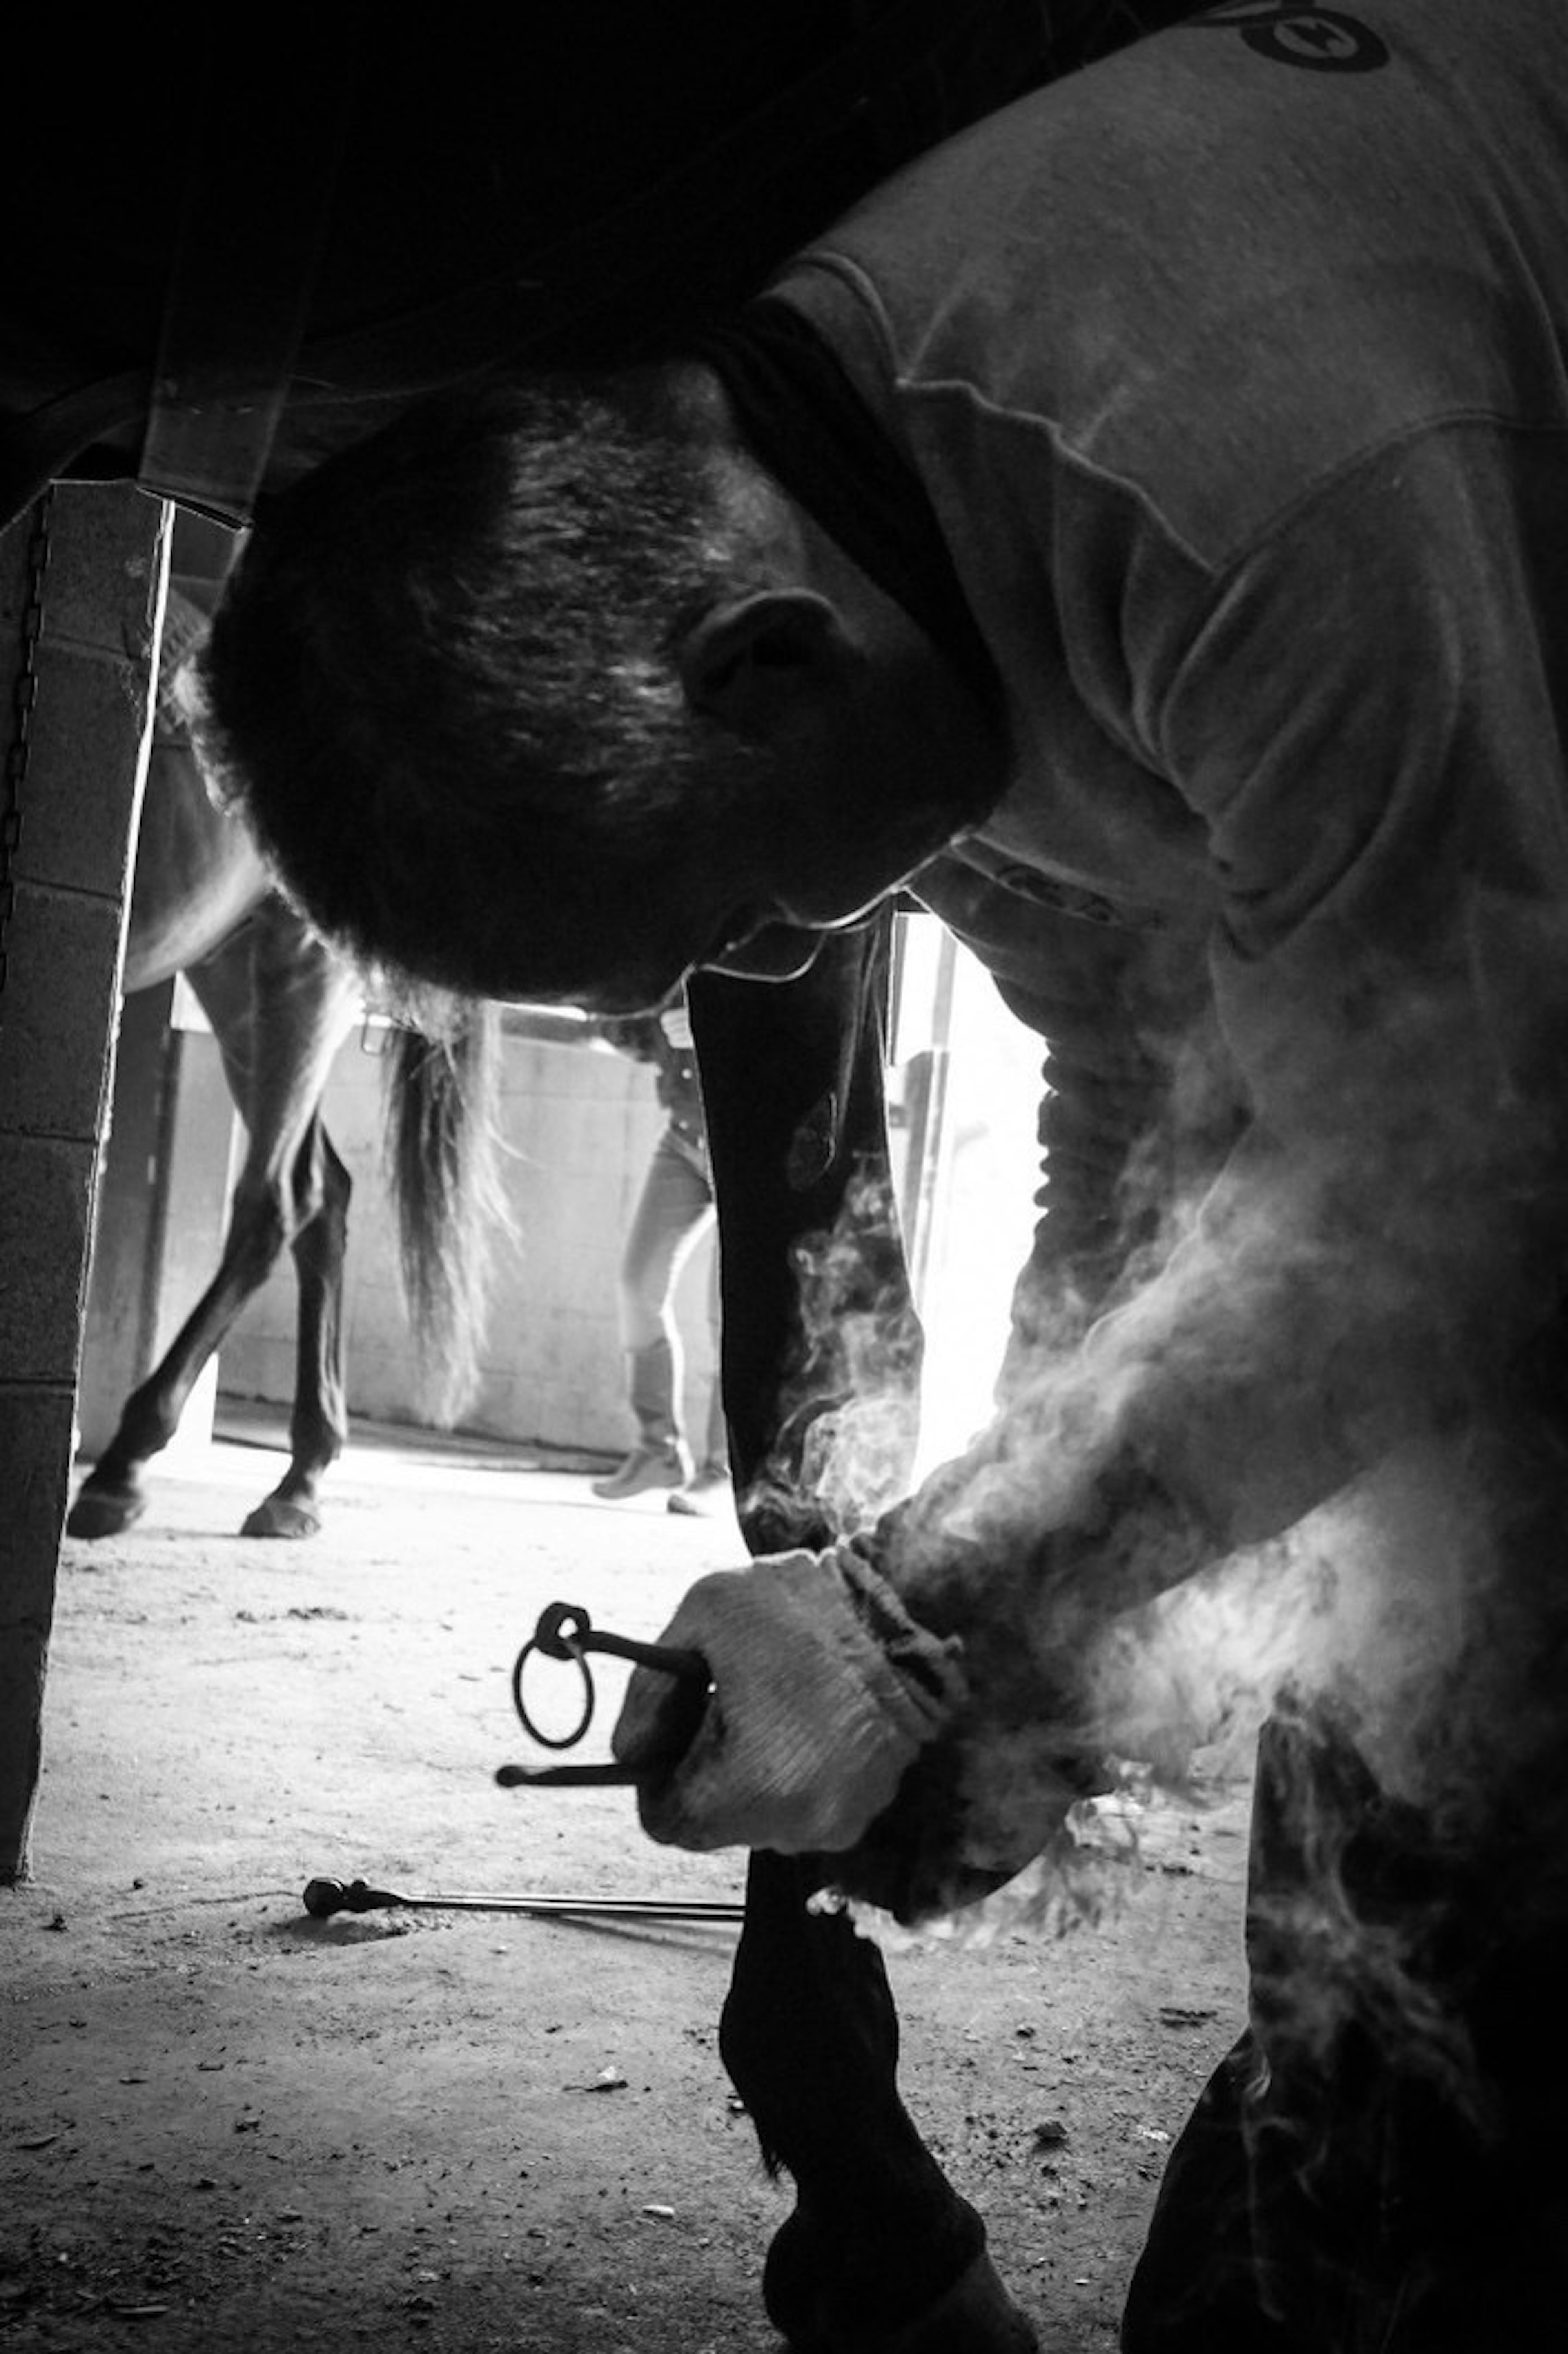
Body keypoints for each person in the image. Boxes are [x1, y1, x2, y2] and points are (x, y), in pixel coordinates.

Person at [185, 1, 1568, 2344]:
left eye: (722, 918)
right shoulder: (876, 596)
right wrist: (1018, 1668)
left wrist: (931, 1611)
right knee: (1368, 2031)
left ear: (747, 667)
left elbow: (1472, 1201)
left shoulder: (1239, 491)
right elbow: (1154, 1112)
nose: (772, 951)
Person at [592, 990, 732, 1510]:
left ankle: (725, 1467)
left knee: (730, 1311)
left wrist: (714, 1025)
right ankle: (659, 1449)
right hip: (684, 1135)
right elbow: (632, 1034)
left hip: (743, 1138)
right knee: (638, 1285)